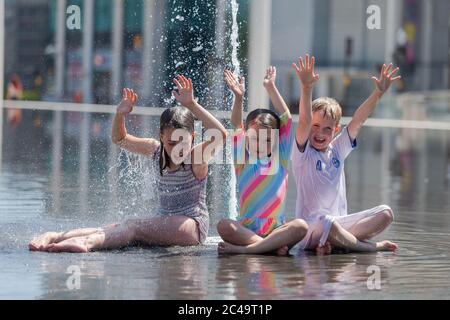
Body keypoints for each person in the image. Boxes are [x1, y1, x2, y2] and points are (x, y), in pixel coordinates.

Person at [29, 75, 228, 253]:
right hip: (164, 222)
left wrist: (192, 104)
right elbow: (120, 139)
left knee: (133, 227)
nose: (178, 148)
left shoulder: (196, 157)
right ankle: (55, 235)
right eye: (171, 142)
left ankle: (86, 243)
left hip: (191, 226)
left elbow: (221, 135)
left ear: (193, 137)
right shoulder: (155, 149)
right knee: (113, 228)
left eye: (183, 141)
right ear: (161, 137)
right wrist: (120, 114)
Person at [292, 54, 399, 254]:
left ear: (336, 130)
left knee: (386, 213)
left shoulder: (338, 150)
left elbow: (358, 120)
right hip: (312, 231)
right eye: (316, 126)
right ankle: (369, 248)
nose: (320, 133)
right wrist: (306, 88)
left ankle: (339, 243)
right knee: (327, 223)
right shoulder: (303, 154)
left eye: (327, 129)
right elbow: (304, 121)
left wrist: (378, 92)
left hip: (340, 227)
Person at [217, 67, 308, 255]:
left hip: (277, 231)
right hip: (247, 231)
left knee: (300, 226)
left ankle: (249, 250)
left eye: (267, 140)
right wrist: (239, 98)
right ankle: (266, 248)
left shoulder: (280, 157)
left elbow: (286, 117)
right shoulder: (242, 159)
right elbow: (236, 124)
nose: (260, 144)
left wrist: (270, 87)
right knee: (224, 225)